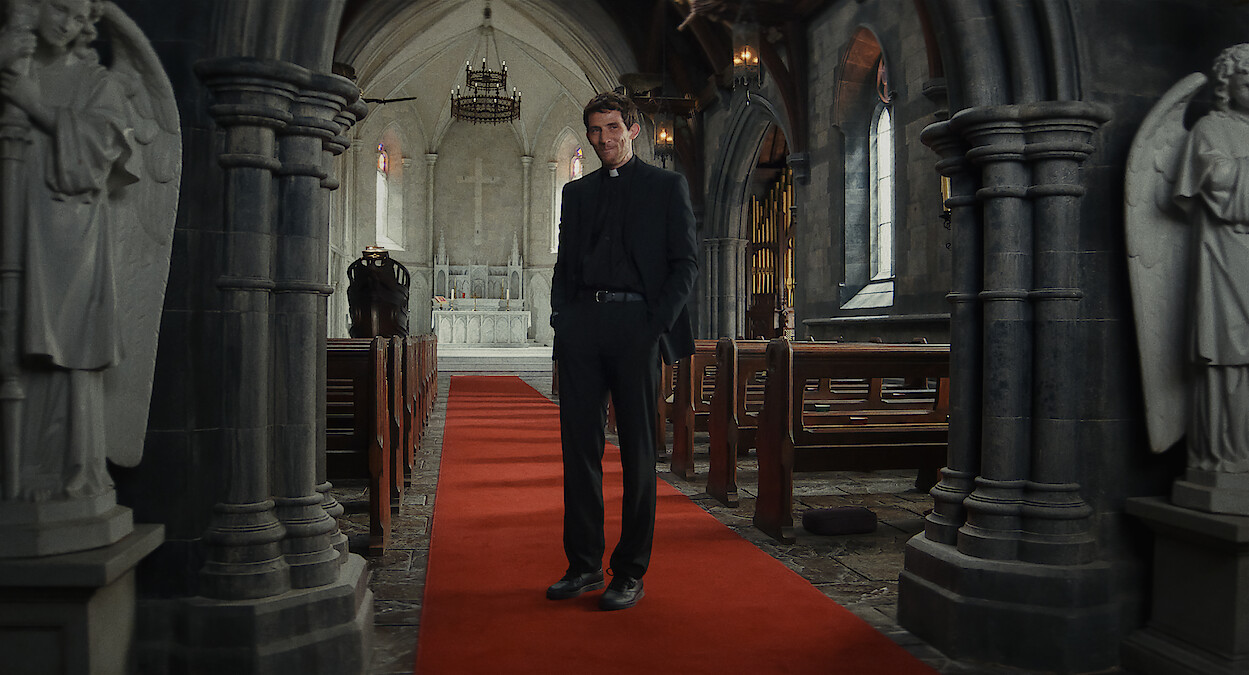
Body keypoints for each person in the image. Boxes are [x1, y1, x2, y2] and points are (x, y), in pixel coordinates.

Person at [546, 91, 697, 610]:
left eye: (612, 128)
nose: (602, 139)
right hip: (583, 327)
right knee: (578, 452)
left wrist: (654, 327)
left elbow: (685, 265)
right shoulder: (576, 192)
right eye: (594, 131)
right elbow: (565, 264)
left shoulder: (666, 186)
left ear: (633, 129)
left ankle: (629, 571)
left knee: (637, 453)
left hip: (638, 326)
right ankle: (584, 564)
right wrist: (563, 319)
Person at [0, 0, 139, 500]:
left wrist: (35, 105)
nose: (70, 24)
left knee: (69, 346)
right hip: (14, 221)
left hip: (68, 232)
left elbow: (101, 155)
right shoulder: (8, 65)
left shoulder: (95, 83)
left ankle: (71, 473)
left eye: (82, 19)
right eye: (61, 9)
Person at [1173, 43, 1249, 474]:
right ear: (1226, 84)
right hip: (1225, 257)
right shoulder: (1211, 128)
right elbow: (1219, 183)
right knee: (1228, 356)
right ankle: (1223, 453)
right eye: (1248, 79)